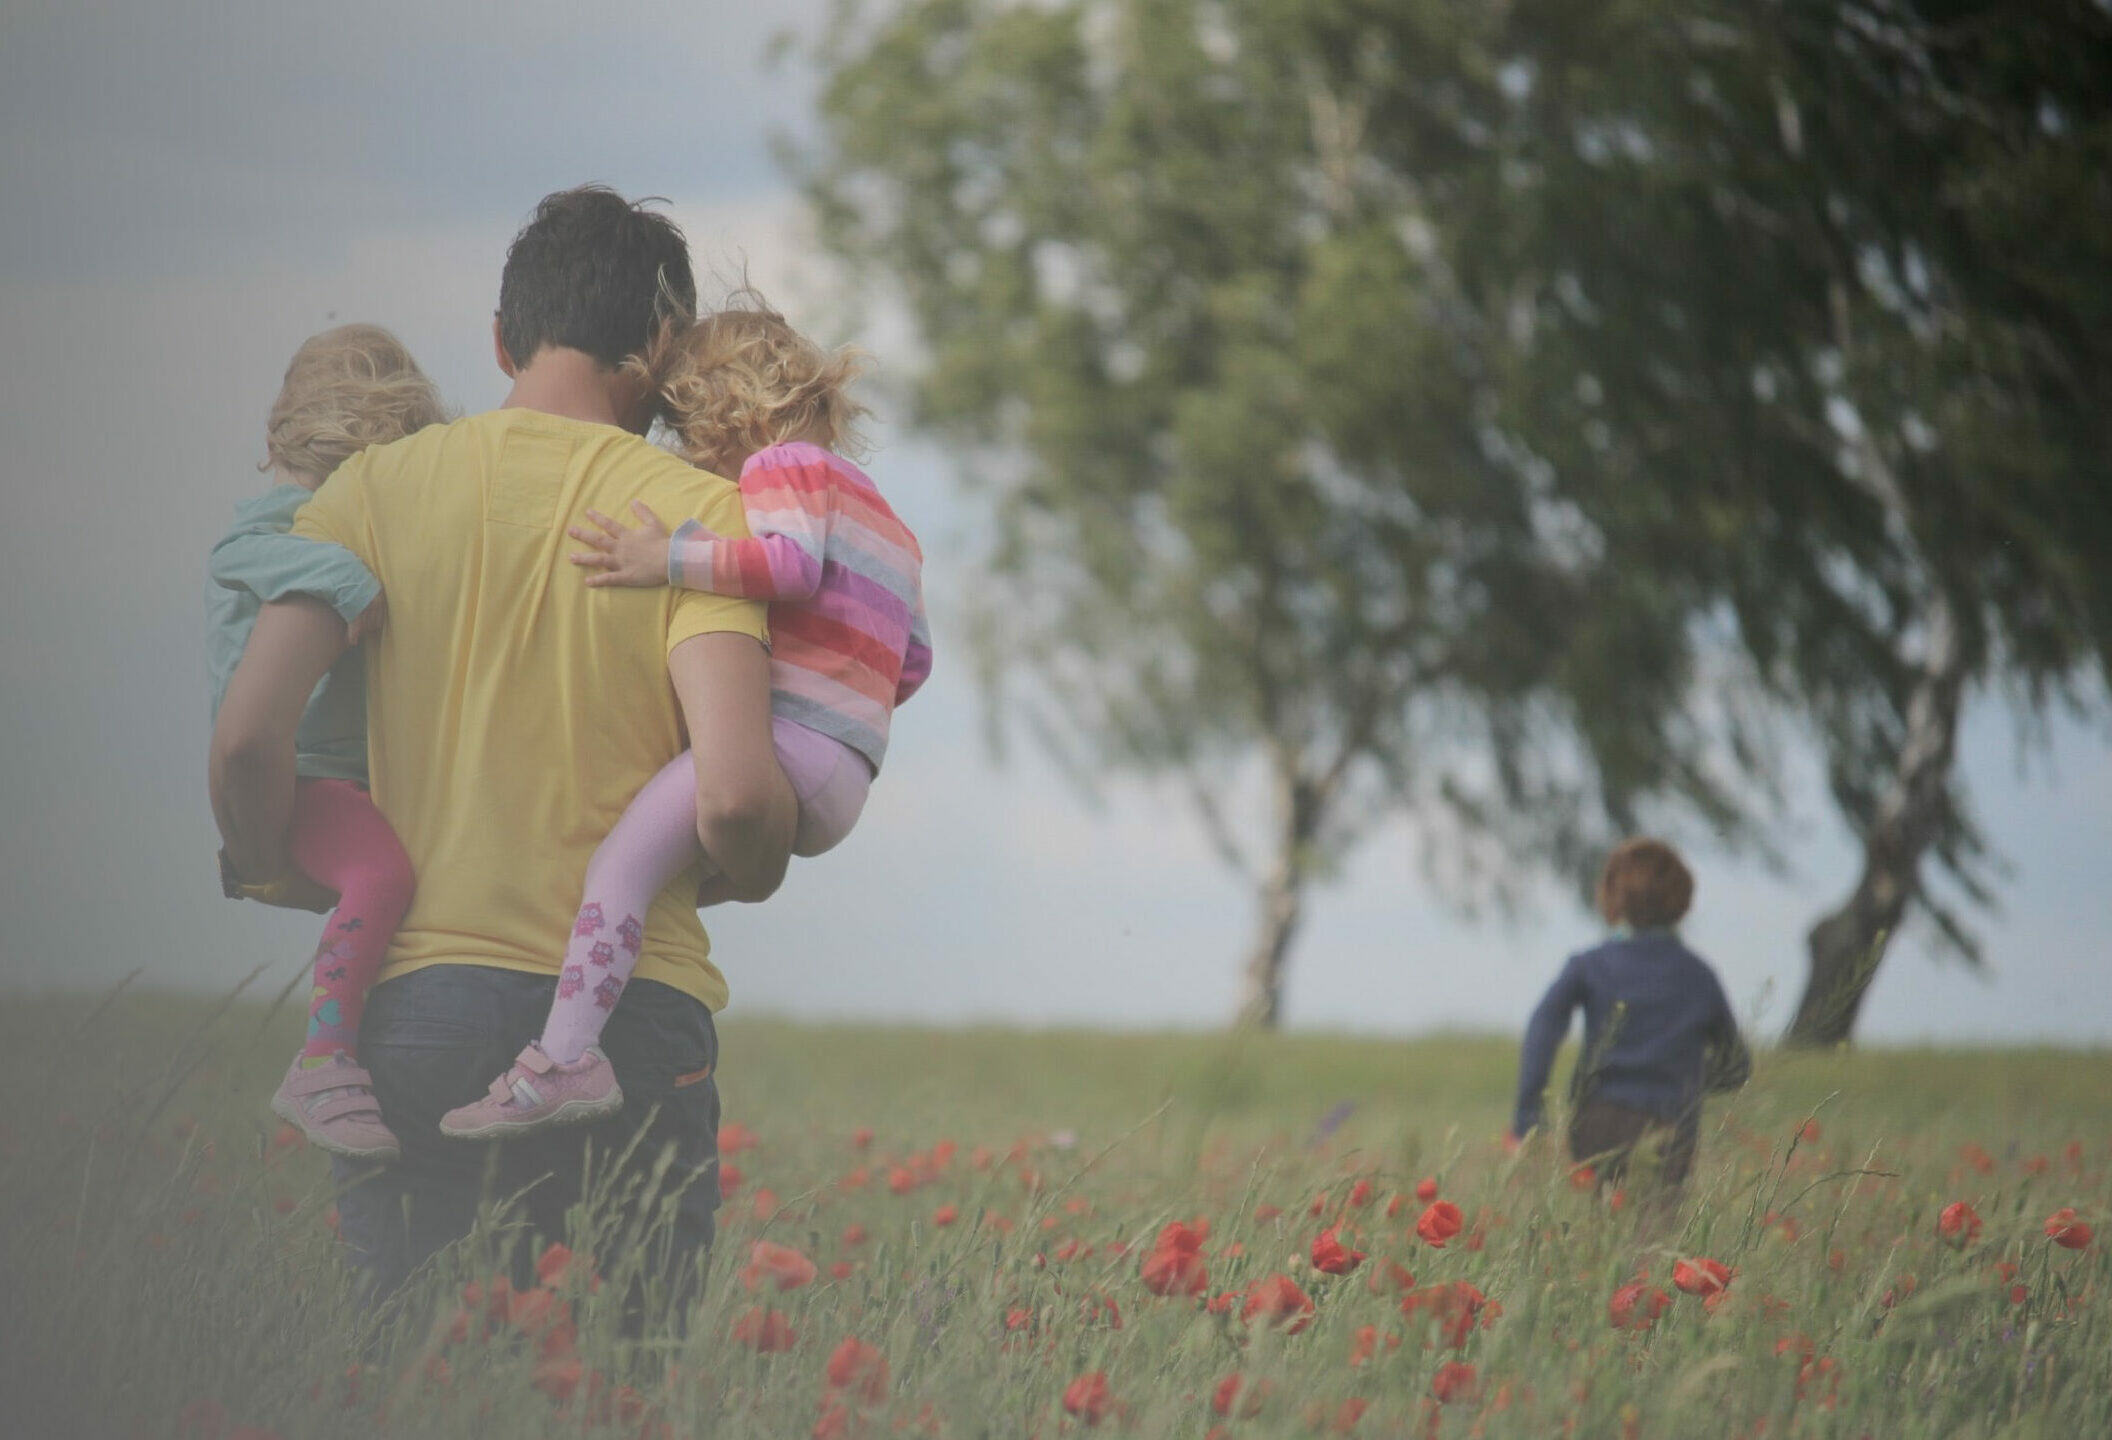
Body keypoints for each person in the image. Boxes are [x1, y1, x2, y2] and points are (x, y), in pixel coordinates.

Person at [209, 185, 796, 1311]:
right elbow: (730, 798)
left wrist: (272, 861)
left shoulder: (364, 495)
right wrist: (757, 867)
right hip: (632, 1020)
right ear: (662, 348)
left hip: (418, 1007)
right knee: (626, 1389)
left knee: (419, 1391)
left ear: (498, 338)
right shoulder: (697, 519)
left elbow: (246, 738)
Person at [440, 297, 931, 1139]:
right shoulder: (890, 520)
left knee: (618, 870)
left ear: (724, 412)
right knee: (658, 883)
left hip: (790, 747)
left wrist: (663, 558)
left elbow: (787, 566)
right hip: (848, 771)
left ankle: (565, 1061)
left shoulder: (783, 468)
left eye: (685, 428)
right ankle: (596, 1008)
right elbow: (912, 662)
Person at [206, 324, 445, 1161]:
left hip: (339, 779)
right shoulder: (283, 524)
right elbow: (239, 553)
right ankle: (324, 1059)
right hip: (305, 776)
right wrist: (348, 581)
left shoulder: (320, 515)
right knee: (382, 874)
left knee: (385, 877)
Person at [1510, 838, 1750, 1198]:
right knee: (1654, 1235)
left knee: (1601, 1230)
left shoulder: (1590, 966)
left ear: (1611, 896)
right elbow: (1736, 1065)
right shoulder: (1700, 977)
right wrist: (1686, 1083)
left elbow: (1542, 1028)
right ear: (1682, 901)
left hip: (1598, 1120)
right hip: (1671, 1125)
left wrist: (1529, 1117)